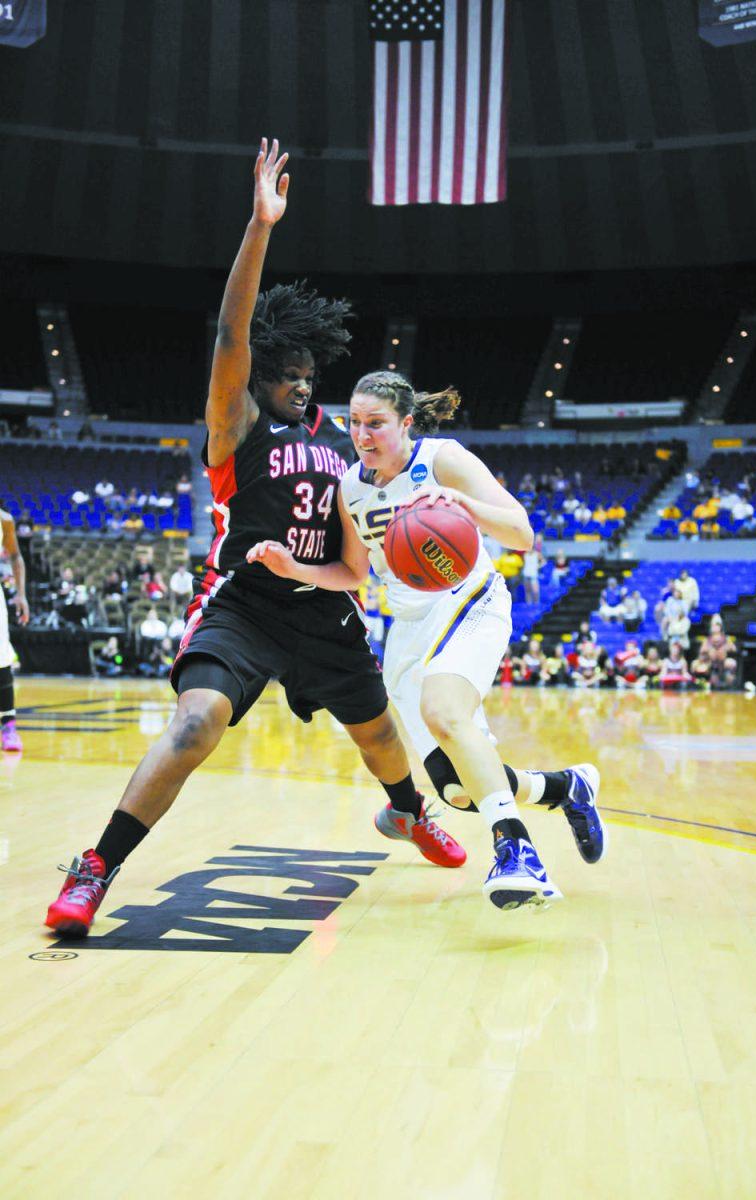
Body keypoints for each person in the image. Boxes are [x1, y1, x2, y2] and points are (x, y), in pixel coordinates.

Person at [45, 138, 461, 939]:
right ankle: (96, 865)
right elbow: (231, 336)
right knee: (196, 721)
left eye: (310, 373)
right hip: (245, 605)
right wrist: (260, 227)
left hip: (323, 610)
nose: (303, 383)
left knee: (378, 732)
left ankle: (408, 812)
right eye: (289, 372)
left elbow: (350, 564)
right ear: (261, 372)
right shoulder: (235, 424)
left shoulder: (342, 444)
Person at [248, 369, 605, 910]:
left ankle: (518, 853)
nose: (363, 435)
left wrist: (466, 509)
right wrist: (291, 565)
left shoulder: (442, 458)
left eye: (377, 424)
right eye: (355, 423)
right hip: (409, 628)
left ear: (407, 423)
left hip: (470, 598)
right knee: (457, 789)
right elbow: (352, 573)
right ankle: (563, 789)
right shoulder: (349, 487)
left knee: (444, 710)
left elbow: (523, 533)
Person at [0, 509, 29, 751]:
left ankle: (8, 725)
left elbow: (16, 556)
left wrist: (21, 595)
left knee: (1, 659)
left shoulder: (4, 520)